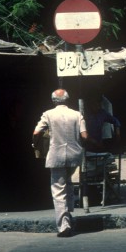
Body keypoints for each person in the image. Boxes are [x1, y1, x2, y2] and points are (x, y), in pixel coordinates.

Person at [32, 89, 87, 238]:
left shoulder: (48, 114)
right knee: (68, 184)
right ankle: (69, 217)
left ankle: (64, 226)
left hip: (56, 155)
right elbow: (84, 135)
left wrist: (35, 146)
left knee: (58, 189)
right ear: (67, 100)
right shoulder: (77, 114)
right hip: (74, 155)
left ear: (53, 101)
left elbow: (36, 133)